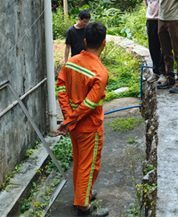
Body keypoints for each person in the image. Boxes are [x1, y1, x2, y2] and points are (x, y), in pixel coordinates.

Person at [56, 21, 110, 217]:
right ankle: (84, 208)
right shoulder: (100, 73)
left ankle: (82, 195)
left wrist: (67, 117)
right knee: (89, 166)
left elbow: (61, 87)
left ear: (85, 41)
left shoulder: (71, 62)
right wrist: (69, 120)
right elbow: (89, 104)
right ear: (104, 43)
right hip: (89, 128)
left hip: (75, 128)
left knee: (80, 163)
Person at [142, 0, 165, 79]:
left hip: (163, 17)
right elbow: (146, 2)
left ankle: (164, 72)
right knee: (153, 46)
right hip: (151, 18)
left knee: (164, 45)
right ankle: (156, 71)